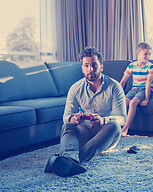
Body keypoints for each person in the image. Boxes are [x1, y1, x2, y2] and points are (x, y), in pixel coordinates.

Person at [44, 47, 126, 178]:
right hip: (85, 132)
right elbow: (66, 117)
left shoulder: (115, 86)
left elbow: (122, 118)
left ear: (101, 66)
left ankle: (69, 161)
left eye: (94, 65)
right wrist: (73, 118)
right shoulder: (75, 88)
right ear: (82, 67)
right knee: (68, 126)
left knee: (114, 125)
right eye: (86, 65)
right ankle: (69, 159)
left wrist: (103, 120)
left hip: (105, 135)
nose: (90, 69)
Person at [120, 42, 153, 136]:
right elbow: (123, 81)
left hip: (145, 89)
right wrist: (118, 95)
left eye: (149, 54)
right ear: (138, 53)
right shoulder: (131, 66)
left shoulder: (151, 66)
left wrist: (146, 99)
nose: (147, 56)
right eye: (145, 54)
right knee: (123, 103)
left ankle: (125, 128)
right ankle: (117, 126)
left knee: (133, 103)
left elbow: (148, 83)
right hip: (134, 89)